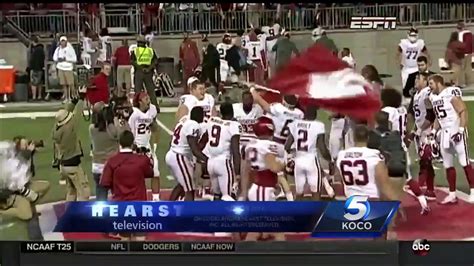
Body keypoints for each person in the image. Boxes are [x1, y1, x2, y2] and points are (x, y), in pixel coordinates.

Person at [335, 125, 399, 238]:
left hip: (351, 203)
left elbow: (339, 178)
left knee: (357, 244)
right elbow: (384, 186)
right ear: (368, 138)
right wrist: (396, 203)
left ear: (353, 138)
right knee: (378, 242)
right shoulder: (373, 155)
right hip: (371, 202)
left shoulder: (342, 155)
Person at [368, 111, 429, 214]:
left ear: (376, 121)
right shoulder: (394, 133)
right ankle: (424, 203)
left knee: (376, 182)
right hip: (402, 158)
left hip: (385, 162)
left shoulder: (373, 135)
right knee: (410, 179)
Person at [428, 75, 474, 203]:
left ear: (438, 83)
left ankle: (473, 191)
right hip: (445, 133)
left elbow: (463, 110)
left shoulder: (449, 93)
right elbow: (438, 116)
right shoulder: (433, 97)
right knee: (447, 165)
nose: (429, 86)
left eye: (431, 83)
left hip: (456, 131)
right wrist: (433, 131)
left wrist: (461, 129)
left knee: (464, 162)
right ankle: (452, 194)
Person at [251, 87, 304, 201]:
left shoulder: (279, 109)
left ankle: (289, 197)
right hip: (291, 143)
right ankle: (284, 193)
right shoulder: (300, 114)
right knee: (283, 170)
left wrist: (252, 90)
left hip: (277, 142)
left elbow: (262, 103)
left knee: (278, 172)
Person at [100, 130, 153, 240]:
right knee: (140, 238)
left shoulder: (112, 161)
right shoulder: (142, 160)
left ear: (119, 143)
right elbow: (150, 173)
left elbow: (104, 183)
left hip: (121, 205)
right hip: (139, 206)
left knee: (124, 239)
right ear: (132, 143)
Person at [240, 116, 286, 241]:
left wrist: (244, 193)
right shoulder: (268, 146)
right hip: (263, 190)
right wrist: (286, 163)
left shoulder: (250, 145)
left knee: (265, 230)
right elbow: (274, 167)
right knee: (264, 230)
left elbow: (245, 171)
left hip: (258, 188)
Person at [285, 105, 334, 200]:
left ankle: (296, 214)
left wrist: (292, 155)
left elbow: (287, 146)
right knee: (315, 193)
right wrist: (330, 160)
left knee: (298, 194)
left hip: (298, 161)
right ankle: (314, 214)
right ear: (315, 114)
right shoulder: (318, 125)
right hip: (311, 161)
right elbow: (322, 148)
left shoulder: (296, 123)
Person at [51, 87, 91, 201]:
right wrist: (81, 98)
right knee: (83, 191)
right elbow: (78, 113)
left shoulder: (56, 129)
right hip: (73, 163)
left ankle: (69, 212)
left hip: (63, 164)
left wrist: (74, 100)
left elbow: (66, 112)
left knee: (71, 191)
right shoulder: (70, 128)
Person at [166, 106, 208, 201]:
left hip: (173, 153)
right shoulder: (193, 125)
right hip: (179, 156)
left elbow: (194, 146)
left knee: (182, 184)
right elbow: (194, 149)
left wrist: (204, 140)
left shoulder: (184, 121)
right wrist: (206, 160)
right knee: (190, 189)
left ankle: (169, 206)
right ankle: (188, 213)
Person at [406, 72, 436, 200]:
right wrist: (414, 131)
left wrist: (419, 130)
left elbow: (431, 115)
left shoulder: (426, 93)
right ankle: (430, 190)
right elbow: (417, 117)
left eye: (419, 78)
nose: (416, 80)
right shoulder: (417, 95)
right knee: (426, 161)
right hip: (420, 130)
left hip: (428, 130)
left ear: (425, 82)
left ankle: (420, 186)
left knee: (425, 159)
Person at [89, 102, 128, 201]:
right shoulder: (113, 129)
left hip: (97, 166)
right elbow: (126, 134)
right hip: (112, 166)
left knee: (100, 194)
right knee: (118, 195)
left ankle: (101, 215)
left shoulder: (92, 128)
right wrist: (120, 119)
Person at [128, 92, 161, 201]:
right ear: (140, 102)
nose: (148, 100)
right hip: (136, 147)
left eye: (148, 97)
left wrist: (155, 143)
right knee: (136, 175)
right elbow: (129, 132)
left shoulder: (152, 110)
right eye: (145, 98)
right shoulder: (134, 113)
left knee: (155, 172)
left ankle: (156, 198)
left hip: (147, 147)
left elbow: (154, 127)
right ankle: (135, 196)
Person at [205, 102, 241, 200]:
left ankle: (215, 215)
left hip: (211, 163)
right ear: (232, 112)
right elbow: (235, 151)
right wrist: (237, 173)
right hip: (223, 163)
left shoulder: (212, 120)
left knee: (216, 195)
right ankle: (228, 216)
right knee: (227, 196)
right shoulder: (233, 125)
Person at [233, 90, 264, 156]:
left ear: (252, 100)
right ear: (242, 100)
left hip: (253, 142)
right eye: (245, 99)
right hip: (239, 141)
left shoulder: (258, 109)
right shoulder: (235, 108)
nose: (247, 101)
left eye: (249, 99)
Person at [131, 35, 158, 106]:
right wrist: (149, 68)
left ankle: (136, 106)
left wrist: (141, 68)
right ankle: (155, 107)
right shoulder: (150, 50)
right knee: (151, 91)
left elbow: (132, 61)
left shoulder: (135, 50)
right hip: (148, 72)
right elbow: (155, 61)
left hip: (139, 71)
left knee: (137, 91)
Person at [53, 35, 77, 102]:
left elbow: (74, 59)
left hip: (68, 68)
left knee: (70, 84)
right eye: (61, 41)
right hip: (60, 67)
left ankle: (73, 96)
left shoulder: (70, 49)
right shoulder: (58, 49)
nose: (62, 43)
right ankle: (66, 97)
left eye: (64, 41)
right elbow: (54, 57)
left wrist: (66, 59)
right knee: (63, 84)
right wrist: (59, 59)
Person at [28, 35, 45, 101]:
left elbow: (32, 60)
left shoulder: (34, 50)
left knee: (33, 83)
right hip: (40, 68)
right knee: (40, 82)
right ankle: (39, 96)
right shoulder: (41, 49)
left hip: (34, 68)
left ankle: (34, 97)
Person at [456, 21, 473, 87]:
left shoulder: (461, 34)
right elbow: (472, 43)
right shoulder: (470, 33)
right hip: (469, 53)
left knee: (461, 69)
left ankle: (461, 83)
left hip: (462, 53)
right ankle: (469, 82)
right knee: (468, 68)